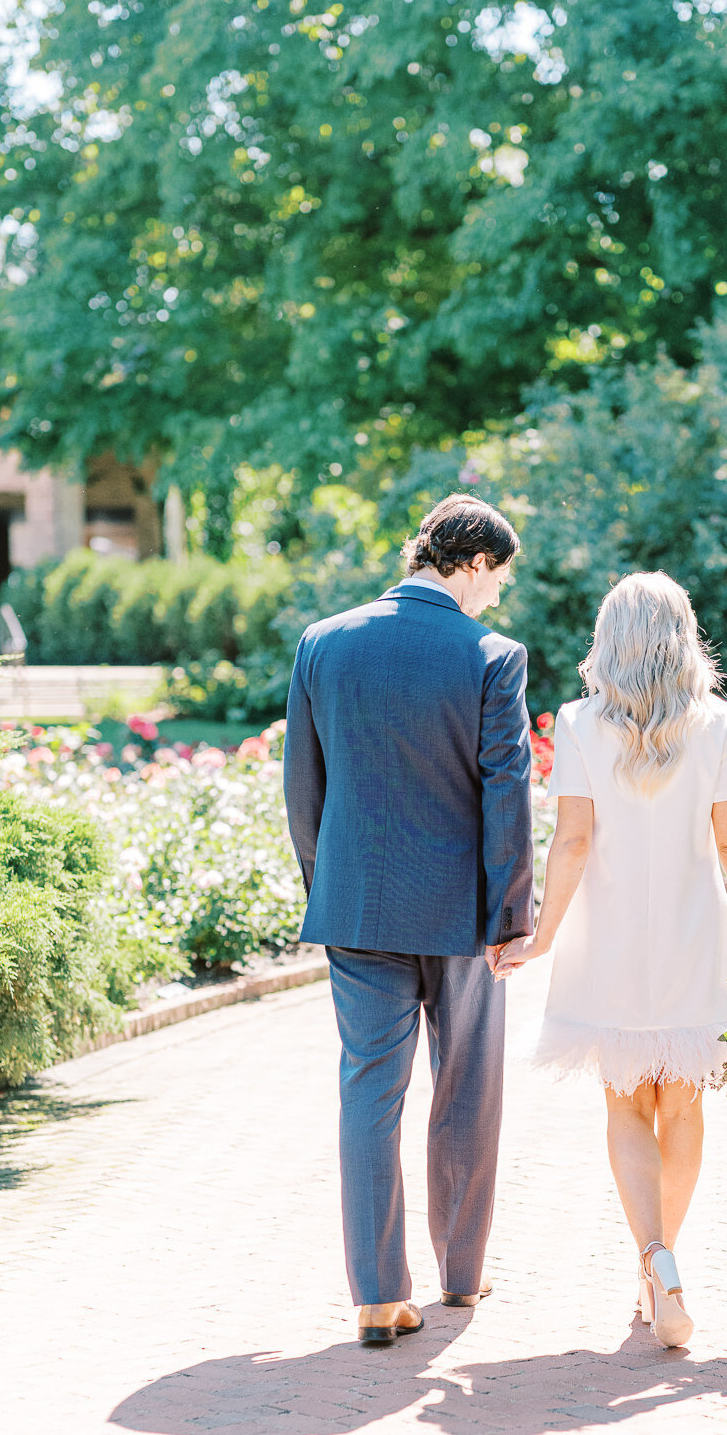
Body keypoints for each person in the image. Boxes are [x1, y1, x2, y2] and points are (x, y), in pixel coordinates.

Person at [495, 572, 727, 1348]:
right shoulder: (719, 722)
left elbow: (572, 841)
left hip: (610, 942)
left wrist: (545, 934)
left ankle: (654, 1259)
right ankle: (662, 1266)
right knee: (684, 1106)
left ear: (609, 638)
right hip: (695, 939)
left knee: (625, 1105)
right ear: (684, 635)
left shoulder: (580, 722)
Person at [283, 494, 534, 1346]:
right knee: (467, 1090)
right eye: (498, 577)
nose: (497, 597)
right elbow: (508, 796)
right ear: (471, 563)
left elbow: (302, 790)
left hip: (355, 907)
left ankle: (376, 1294)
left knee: (368, 1094)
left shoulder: (324, 641)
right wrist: (512, 917)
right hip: (461, 917)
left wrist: (330, 886)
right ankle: (461, 1275)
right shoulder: (492, 655)